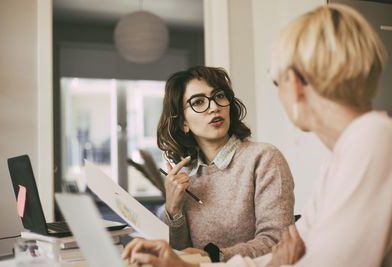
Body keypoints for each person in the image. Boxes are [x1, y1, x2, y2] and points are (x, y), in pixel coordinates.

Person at [122, 3, 392, 267]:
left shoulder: (370, 140)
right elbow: (286, 254)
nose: (214, 106)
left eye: (276, 80)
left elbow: (310, 258)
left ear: (294, 83)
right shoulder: (347, 152)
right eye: (199, 102)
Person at [154, 65, 295, 262]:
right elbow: (179, 256)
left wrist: (213, 257)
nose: (214, 107)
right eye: (199, 102)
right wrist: (173, 209)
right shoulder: (184, 176)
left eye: (219, 96)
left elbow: (276, 241)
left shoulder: (264, 158)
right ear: (183, 123)